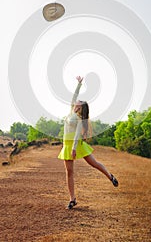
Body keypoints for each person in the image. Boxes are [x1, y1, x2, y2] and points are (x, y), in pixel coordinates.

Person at [58, 75, 119, 209]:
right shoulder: (70, 111)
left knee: (94, 164)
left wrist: (74, 148)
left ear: (81, 107)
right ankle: (72, 199)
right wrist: (79, 84)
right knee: (69, 172)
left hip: (76, 145)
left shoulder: (80, 119)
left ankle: (110, 176)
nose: (76, 102)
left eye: (78, 102)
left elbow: (77, 135)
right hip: (67, 145)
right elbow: (73, 97)